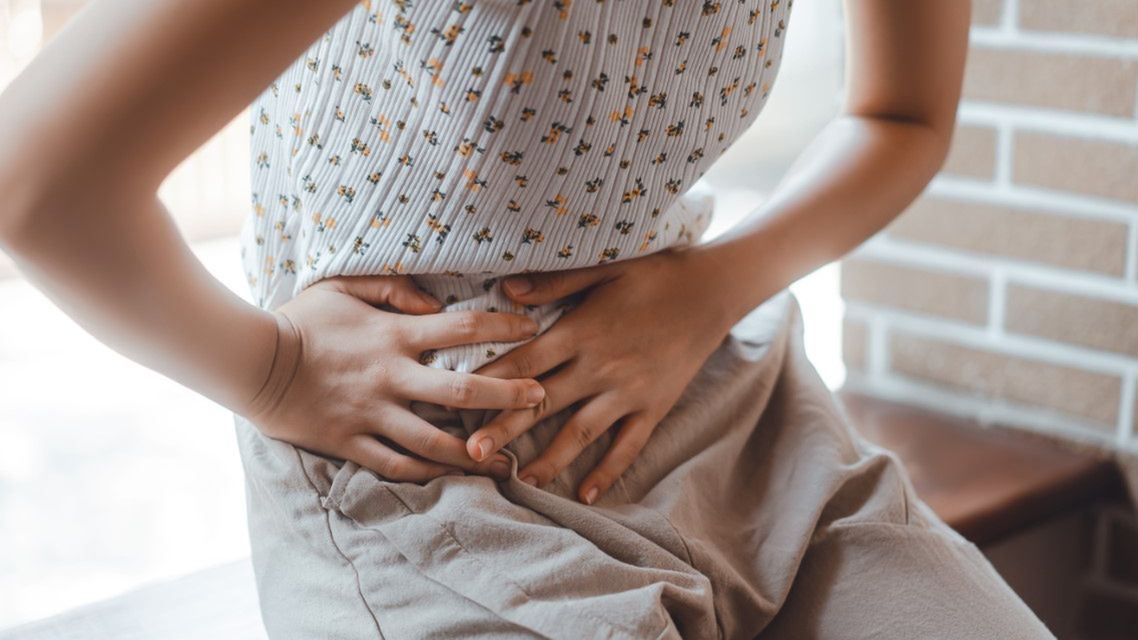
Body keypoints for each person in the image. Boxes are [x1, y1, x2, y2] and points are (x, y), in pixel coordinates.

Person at [0, 0, 1056, 638]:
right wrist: (275, 372)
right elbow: (39, 180)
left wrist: (715, 284)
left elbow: (900, 114)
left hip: (718, 406)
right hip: (424, 474)